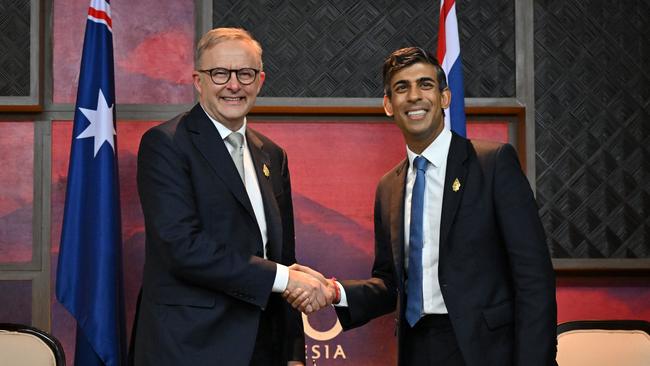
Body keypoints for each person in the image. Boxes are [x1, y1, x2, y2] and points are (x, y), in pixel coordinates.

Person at [287, 47, 557, 365]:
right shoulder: (389, 187)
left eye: (425, 85)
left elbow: (534, 278)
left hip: (486, 351)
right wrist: (334, 292)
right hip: (417, 349)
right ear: (388, 105)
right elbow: (390, 285)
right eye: (402, 87)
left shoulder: (493, 164)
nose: (414, 96)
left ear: (445, 97)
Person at [134, 27, 331, 366]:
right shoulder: (166, 144)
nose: (234, 85)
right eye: (220, 73)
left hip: (263, 348)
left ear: (260, 80)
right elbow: (182, 248)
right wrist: (284, 279)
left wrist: (293, 352)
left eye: (245, 73)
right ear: (199, 80)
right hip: (190, 347)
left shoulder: (272, 154)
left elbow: (283, 255)